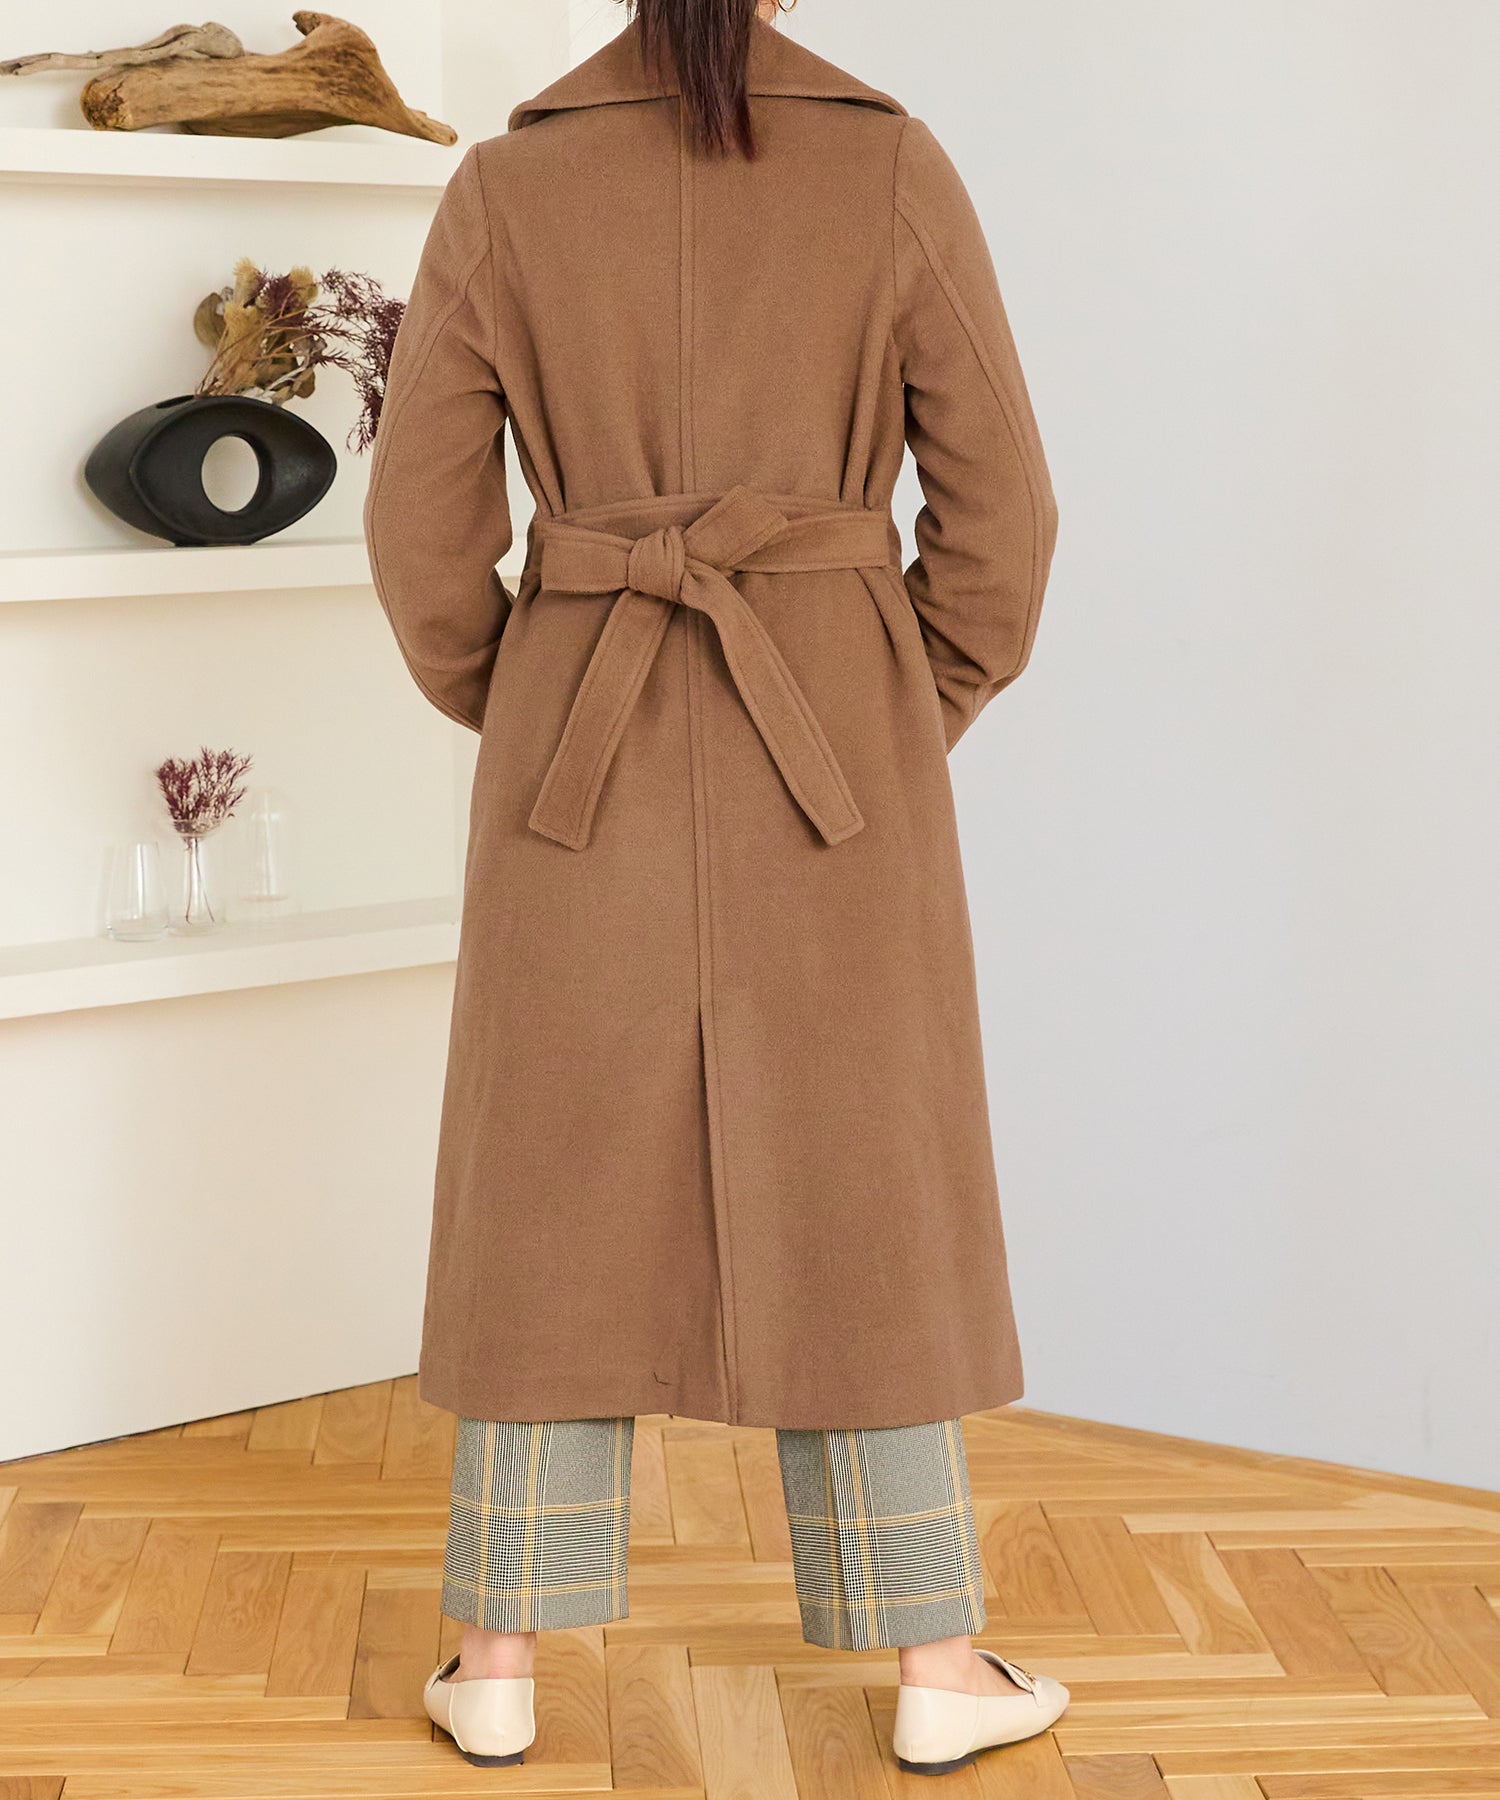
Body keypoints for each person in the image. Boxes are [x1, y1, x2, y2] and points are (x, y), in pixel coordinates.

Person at [363, 0, 1063, 1777]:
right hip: (830, 753)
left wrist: (526, 694)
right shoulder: (890, 168)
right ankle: (936, 1660)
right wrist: (898, 702)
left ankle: (498, 1657)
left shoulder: (509, 186)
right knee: (865, 1177)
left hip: (581, 746)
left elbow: (419, 531)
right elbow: (1006, 520)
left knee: (549, 1174)